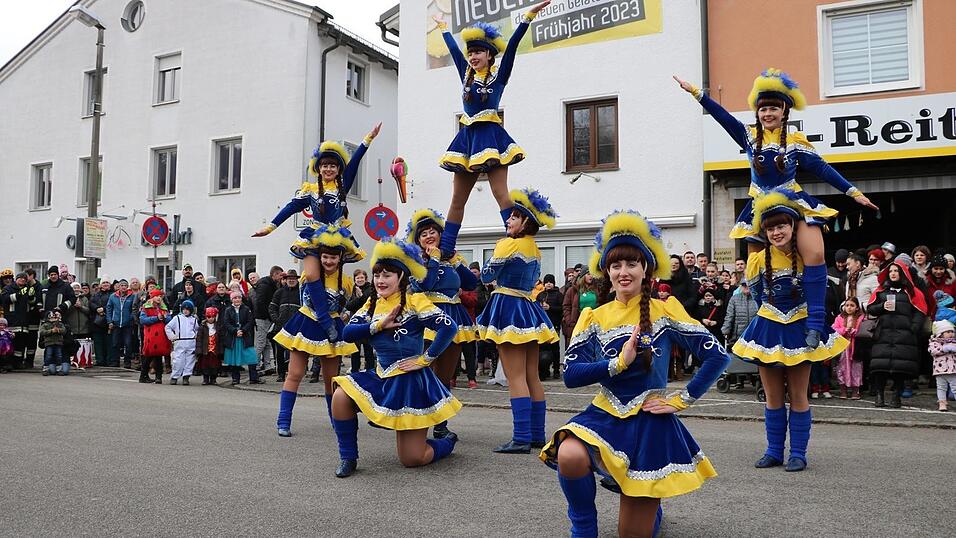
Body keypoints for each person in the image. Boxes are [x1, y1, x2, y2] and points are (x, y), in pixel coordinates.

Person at [540, 210, 730, 538]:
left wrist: (681, 400)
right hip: (605, 414)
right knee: (569, 453)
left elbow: (716, 356)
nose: (623, 272)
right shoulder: (593, 316)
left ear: (646, 269)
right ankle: (583, 526)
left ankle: (651, 509)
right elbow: (570, 374)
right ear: (606, 272)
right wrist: (618, 363)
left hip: (650, 421)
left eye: (632, 264)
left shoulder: (666, 310)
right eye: (616, 265)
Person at [676, 70, 877, 352]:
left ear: (784, 111)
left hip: (792, 200)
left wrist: (854, 193)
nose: (768, 113)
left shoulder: (795, 141)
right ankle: (764, 318)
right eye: (763, 108)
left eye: (773, 108)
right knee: (755, 265)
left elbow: (823, 169)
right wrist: (697, 93)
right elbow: (723, 118)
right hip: (759, 206)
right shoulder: (748, 136)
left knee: (816, 253)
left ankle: (816, 322)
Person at [731, 189, 849, 472]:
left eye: (781, 225)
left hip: (800, 326)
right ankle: (773, 451)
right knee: (772, 395)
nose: (776, 232)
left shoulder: (806, 254)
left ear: (794, 226)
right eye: (770, 228)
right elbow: (758, 295)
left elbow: (816, 291)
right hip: (768, 327)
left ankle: (798, 453)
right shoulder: (758, 259)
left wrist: (812, 324)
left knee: (798, 394)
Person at [431, 0, 552, 259]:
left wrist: (528, 17)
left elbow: (512, 48)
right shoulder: (465, 73)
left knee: (500, 193)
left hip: (492, 138)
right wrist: (442, 28)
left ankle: (515, 240)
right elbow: (453, 49)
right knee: (457, 199)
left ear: (489, 55)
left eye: (478, 52)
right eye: (471, 52)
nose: (473, 57)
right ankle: (446, 248)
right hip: (467, 140)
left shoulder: (500, 75)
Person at [332, 238, 462, 477]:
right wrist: (378, 325)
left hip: (410, 381)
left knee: (413, 459)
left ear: (401, 276)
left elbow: (449, 327)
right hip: (382, 376)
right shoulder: (372, 304)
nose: (380, 281)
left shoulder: (415, 301)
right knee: (340, 396)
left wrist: (426, 359)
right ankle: (348, 457)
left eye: (387, 275)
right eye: (377, 275)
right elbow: (348, 333)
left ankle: (447, 443)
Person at [476, 188, 559, 454]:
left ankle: (521, 437)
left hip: (509, 307)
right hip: (528, 308)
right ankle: (536, 435)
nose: (508, 220)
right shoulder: (533, 247)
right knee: (532, 375)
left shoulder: (508, 244)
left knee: (515, 377)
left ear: (526, 222)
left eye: (514, 217)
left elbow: (487, 276)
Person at [272, 222, 364, 435]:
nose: (328, 261)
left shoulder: (347, 282)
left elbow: (344, 305)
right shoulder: (309, 273)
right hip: (306, 323)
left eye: (333, 257)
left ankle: (336, 421)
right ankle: (283, 420)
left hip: (332, 326)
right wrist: (324, 228)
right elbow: (303, 245)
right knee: (294, 374)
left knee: (330, 380)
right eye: (325, 256)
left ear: (340, 258)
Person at [405, 208, 479, 439]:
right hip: (428, 318)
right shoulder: (416, 261)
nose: (429, 236)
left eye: (433, 232)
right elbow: (425, 285)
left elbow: (470, 284)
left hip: (455, 317)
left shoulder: (453, 259)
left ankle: (440, 424)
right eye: (424, 233)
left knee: (444, 376)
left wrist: (454, 259)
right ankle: (413, 419)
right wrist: (435, 258)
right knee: (422, 371)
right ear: (418, 240)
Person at [867, 261, 927, 408]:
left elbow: (920, 312)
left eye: (896, 271)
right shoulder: (881, 291)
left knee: (901, 369)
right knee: (880, 367)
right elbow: (871, 309)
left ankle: (896, 396)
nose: (893, 273)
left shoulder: (913, 292)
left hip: (904, 336)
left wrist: (913, 328)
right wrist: (882, 306)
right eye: (891, 271)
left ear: (903, 274)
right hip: (884, 335)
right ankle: (880, 396)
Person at [222, 291, 262, 386]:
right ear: (232, 299)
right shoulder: (228, 310)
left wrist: (243, 330)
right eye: (235, 298)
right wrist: (235, 331)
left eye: (239, 298)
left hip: (245, 337)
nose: (237, 300)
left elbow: (250, 321)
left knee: (251, 357)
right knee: (234, 359)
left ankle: (253, 378)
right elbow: (226, 323)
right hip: (233, 338)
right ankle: (235, 378)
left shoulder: (246, 309)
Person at [269, 270, 301, 383]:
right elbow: (272, 307)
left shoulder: (301, 293)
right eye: (289, 279)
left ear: (297, 280)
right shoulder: (279, 292)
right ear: (285, 280)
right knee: (280, 353)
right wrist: (276, 320)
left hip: (296, 327)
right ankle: (281, 374)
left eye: (293, 278)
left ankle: (295, 374)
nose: (291, 280)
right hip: (281, 327)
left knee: (296, 352)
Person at [833, 297, 865, 400]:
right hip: (843, 348)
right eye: (847, 305)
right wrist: (844, 330)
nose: (849, 308)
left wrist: (854, 331)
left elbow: (864, 330)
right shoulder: (839, 318)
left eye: (852, 305)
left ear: (856, 308)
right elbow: (834, 329)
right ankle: (843, 390)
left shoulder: (861, 318)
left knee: (856, 369)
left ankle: (856, 390)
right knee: (842, 368)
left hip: (855, 348)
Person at [253, 266, 282, 373]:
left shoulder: (269, 285)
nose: (280, 278)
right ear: (274, 274)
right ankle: (254, 366)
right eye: (279, 275)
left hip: (265, 317)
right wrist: (268, 315)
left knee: (267, 343)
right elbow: (260, 302)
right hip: (262, 318)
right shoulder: (265, 286)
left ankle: (267, 365)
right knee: (261, 342)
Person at [139, 289, 171, 384]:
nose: (158, 298)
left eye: (160, 296)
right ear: (152, 297)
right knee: (148, 355)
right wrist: (156, 318)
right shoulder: (146, 308)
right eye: (157, 296)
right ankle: (143, 375)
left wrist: (165, 317)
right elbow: (143, 320)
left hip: (161, 335)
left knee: (158, 355)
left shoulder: (164, 308)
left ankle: (158, 376)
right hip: (151, 335)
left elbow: (169, 319)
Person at [165, 299, 199, 385]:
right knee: (178, 360)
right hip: (180, 341)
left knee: (190, 361)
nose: (185, 311)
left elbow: (197, 329)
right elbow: (168, 327)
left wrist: (195, 336)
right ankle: (175, 376)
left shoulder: (194, 319)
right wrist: (172, 337)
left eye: (187, 309)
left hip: (190, 342)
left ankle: (186, 376)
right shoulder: (177, 318)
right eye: (184, 309)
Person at [537, 274, 564, 380]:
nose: (548, 284)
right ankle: (544, 370)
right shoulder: (540, 295)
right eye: (547, 282)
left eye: (550, 282)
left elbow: (561, 309)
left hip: (554, 325)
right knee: (543, 349)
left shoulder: (558, 295)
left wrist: (550, 307)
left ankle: (556, 370)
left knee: (555, 349)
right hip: (542, 326)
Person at [106, 279, 137, 368]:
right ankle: (115, 361)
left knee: (128, 343)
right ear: (118, 287)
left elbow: (134, 308)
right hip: (116, 323)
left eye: (125, 285)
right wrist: (110, 321)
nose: (123, 287)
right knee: (115, 343)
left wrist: (131, 318)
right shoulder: (113, 296)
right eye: (122, 285)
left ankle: (127, 362)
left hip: (127, 324)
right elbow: (109, 309)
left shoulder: (132, 296)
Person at [721, 281, 758, 348]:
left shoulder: (758, 298)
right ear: (741, 286)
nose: (746, 287)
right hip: (738, 336)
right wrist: (725, 330)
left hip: (755, 335)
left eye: (748, 284)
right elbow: (729, 316)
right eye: (744, 285)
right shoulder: (734, 299)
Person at [929, 320, 956, 412]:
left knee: (955, 387)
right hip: (939, 370)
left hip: (953, 370)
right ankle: (942, 403)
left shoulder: (954, 343)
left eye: (952, 332)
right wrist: (945, 348)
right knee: (941, 387)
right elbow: (933, 351)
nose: (951, 334)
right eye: (948, 332)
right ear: (940, 333)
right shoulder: (934, 342)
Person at [195, 307, 222, 386]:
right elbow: (199, 339)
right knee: (205, 365)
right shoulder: (202, 327)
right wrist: (199, 350)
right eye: (209, 317)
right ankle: (205, 378)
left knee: (215, 365)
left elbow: (221, 339)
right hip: (205, 350)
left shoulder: (218, 327)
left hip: (215, 350)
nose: (211, 319)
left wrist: (221, 350)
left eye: (213, 317)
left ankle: (213, 378)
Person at [89, 279, 112, 366]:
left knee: (108, 342)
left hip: (108, 321)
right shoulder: (96, 295)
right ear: (100, 285)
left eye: (107, 283)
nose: (105, 284)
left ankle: (108, 360)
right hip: (97, 322)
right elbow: (91, 303)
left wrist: (104, 309)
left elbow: (113, 304)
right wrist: (97, 308)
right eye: (104, 283)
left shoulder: (113, 294)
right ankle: (100, 360)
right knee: (98, 342)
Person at [39, 310, 68, 376]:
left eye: (54, 317)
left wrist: (58, 330)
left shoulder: (60, 324)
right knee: (48, 356)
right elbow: (42, 332)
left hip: (58, 343)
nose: (53, 318)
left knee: (59, 356)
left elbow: (64, 331)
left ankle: (59, 370)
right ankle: (45, 369)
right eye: (51, 317)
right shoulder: (45, 324)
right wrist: (51, 331)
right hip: (49, 343)